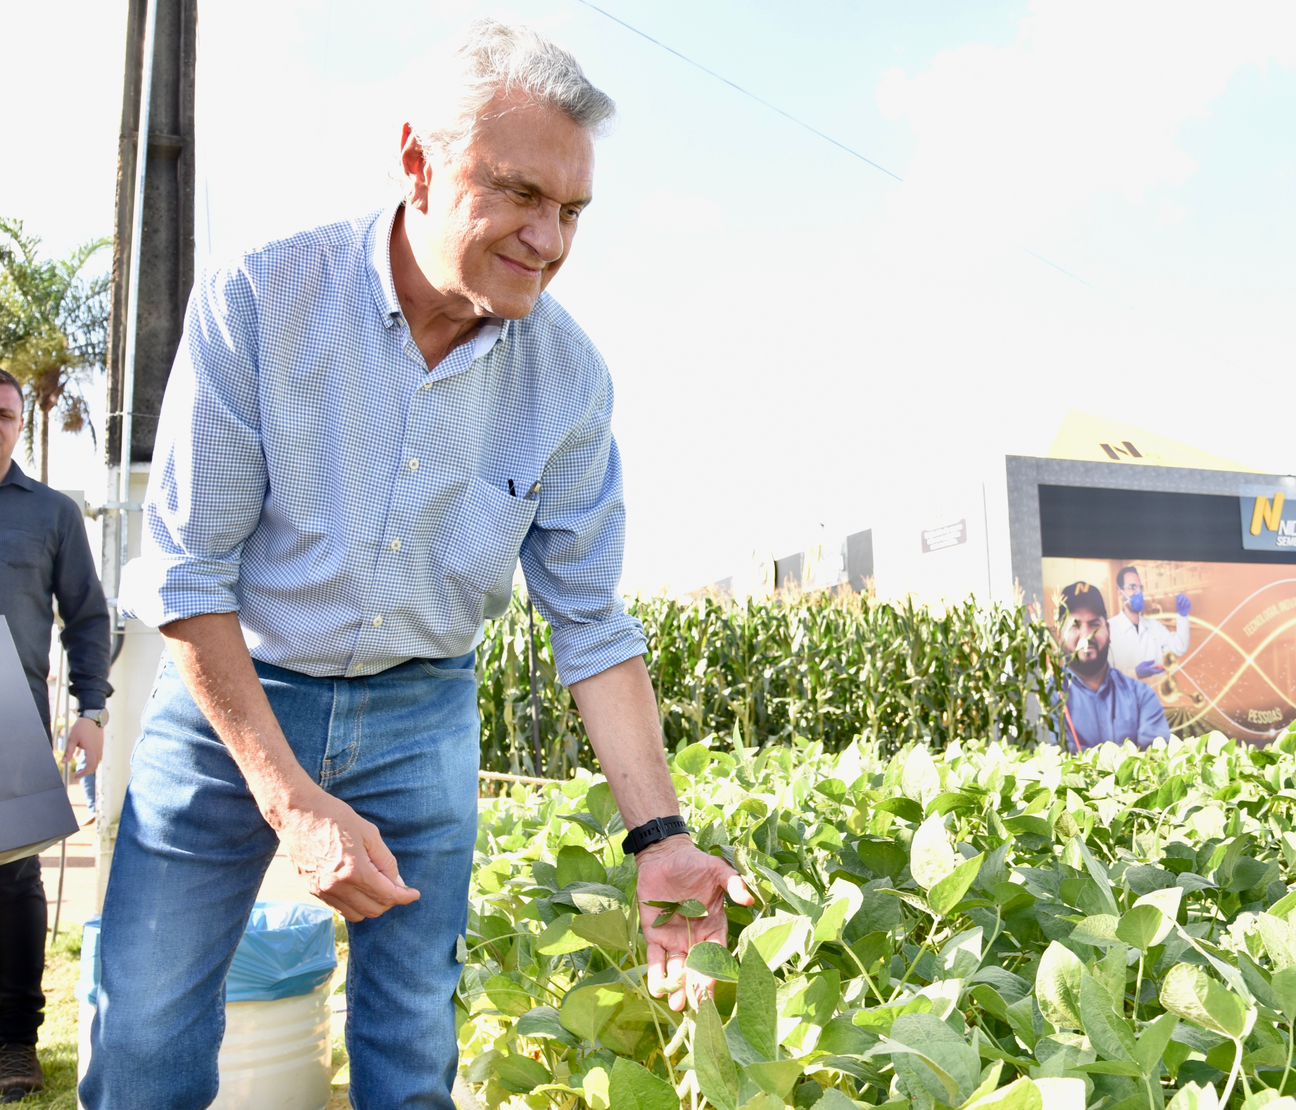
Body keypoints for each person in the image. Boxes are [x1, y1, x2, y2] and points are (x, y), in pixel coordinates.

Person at [82, 22, 751, 1108]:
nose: (548, 238)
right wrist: (290, 800)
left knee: (410, 1043)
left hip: (419, 710)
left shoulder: (568, 382)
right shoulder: (259, 302)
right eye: (519, 194)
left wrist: (660, 838)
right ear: (417, 165)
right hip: (236, 699)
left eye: (572, 210)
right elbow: (190, 583)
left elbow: (592, 626)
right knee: (148, 1021)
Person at [0, 368, 111, 1100]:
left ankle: (14, 1045)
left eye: (4, 414)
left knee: (11, 884)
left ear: (16, 423)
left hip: (9, 729)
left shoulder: (51, 514)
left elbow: (88, 617)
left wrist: (92, 710)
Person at [1053, 581, 1170, 749]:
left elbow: (1157, 762)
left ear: (1108, 630)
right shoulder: (1047, 699)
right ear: (1059, 635)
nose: (1087, 635)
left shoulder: (1141, 697)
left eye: (1094, 625)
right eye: (1074, 625)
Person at [1108, 565, 1191, 680]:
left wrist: (1182, 616)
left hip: (1154, 695)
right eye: (1132, 587)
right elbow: (1104, 678)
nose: (1138, 593)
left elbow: (1179, 647)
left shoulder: (1154, 626)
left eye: (1140, 588)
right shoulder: (1108, 630)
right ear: (1120, 592)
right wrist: (1135, 673)